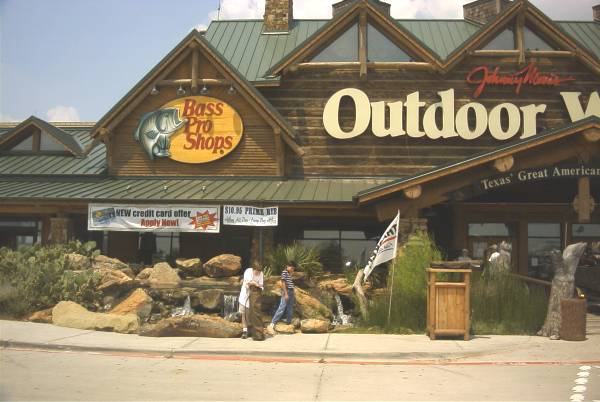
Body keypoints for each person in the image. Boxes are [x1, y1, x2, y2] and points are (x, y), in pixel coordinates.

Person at [267, 261, 296, 335]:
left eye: (293, 268)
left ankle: (288, 323)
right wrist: (286, 294)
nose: (292, 269)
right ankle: (272, 323)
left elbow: (290, 283)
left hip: (291, 291)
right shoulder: (284, 272)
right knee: (281, 308)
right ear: (287, 266)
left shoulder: (289, 274)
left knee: (290, 308)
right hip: (287, 292)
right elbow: (283, 283)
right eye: (291, 268)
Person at [237, 263, 264, 340]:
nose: (258, 273)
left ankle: (252, 330)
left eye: (259, 272)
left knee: (253, 313)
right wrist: (255, 283)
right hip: (245, 295)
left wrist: (256, 284)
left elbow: (261, 285)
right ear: (253, 269)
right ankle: (245, 330)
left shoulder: (261, 273)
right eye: (256, 272)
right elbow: (248, 283)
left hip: (254, 297)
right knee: (244, 313)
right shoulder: (248, 271)